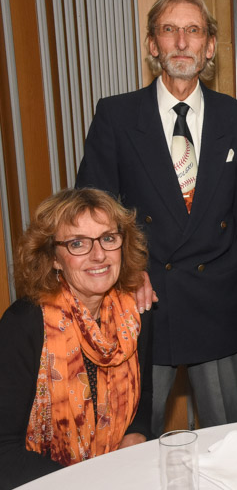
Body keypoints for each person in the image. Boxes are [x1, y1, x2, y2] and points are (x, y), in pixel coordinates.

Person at [76, 0, 237, 434]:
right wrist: (129, 273)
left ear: (209, 46)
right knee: (133, 436)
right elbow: (94, 212)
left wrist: (235, 287)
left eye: (193, 30)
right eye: (169, 30)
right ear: (152, 44)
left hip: (216, 303)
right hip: (143, 300)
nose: (181, 41)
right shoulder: (116, 116)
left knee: (225, 438)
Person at [0, 189, 152, 489]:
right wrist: (85, 482)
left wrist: (137, 432)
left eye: (108, 238)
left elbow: (142, 400)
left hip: (119, 477)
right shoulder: (23, 324)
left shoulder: (136, 314)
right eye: (78, 243)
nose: (99, 255)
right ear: (54, 258)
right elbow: (3, 451)